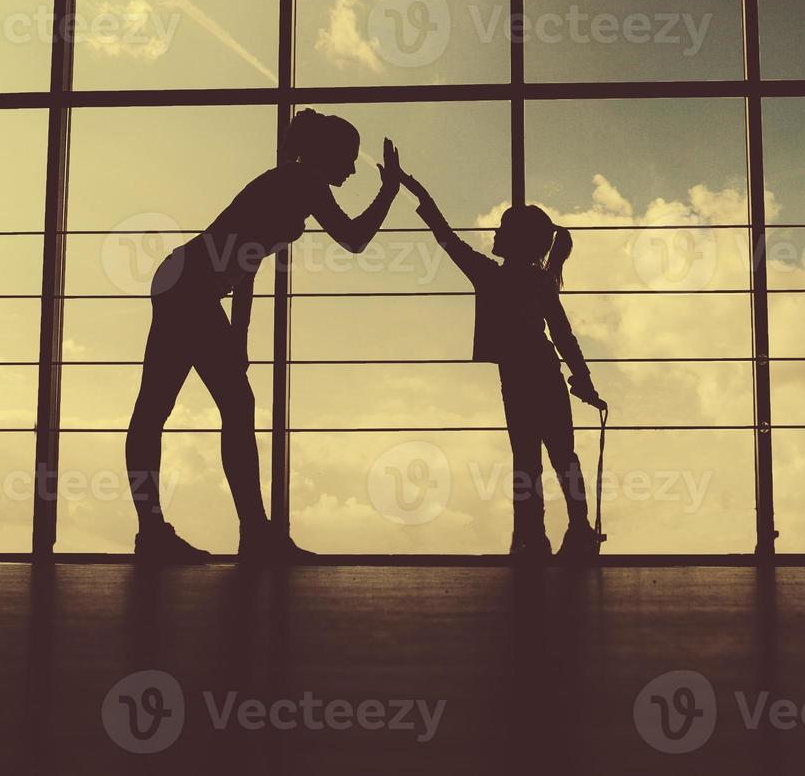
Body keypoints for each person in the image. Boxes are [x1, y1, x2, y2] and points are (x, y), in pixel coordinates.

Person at [126, 109, 402, 562]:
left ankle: (161, 532)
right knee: (220, 406)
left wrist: (239, 336)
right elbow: (353, 238)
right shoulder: (304, 183)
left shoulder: (287, 181)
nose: (353, 169)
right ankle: (251, 534)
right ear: (325, 153)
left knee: (158, 409)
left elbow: (246, 262)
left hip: (183, 280)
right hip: (190, 286)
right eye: (349, 158)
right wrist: (389, 191)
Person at [398, 170, 607, 562]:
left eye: (501, 229)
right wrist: (584, 380)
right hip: (545, 376)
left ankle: (535, 538)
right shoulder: (540, 282)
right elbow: (563, 337)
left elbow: (445, 237)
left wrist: (415, 190)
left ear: (516, 240)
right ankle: (578, 529)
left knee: (527, 462)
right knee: (564, 457)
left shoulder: (490, 275)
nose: (494, 233)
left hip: (517, 381)